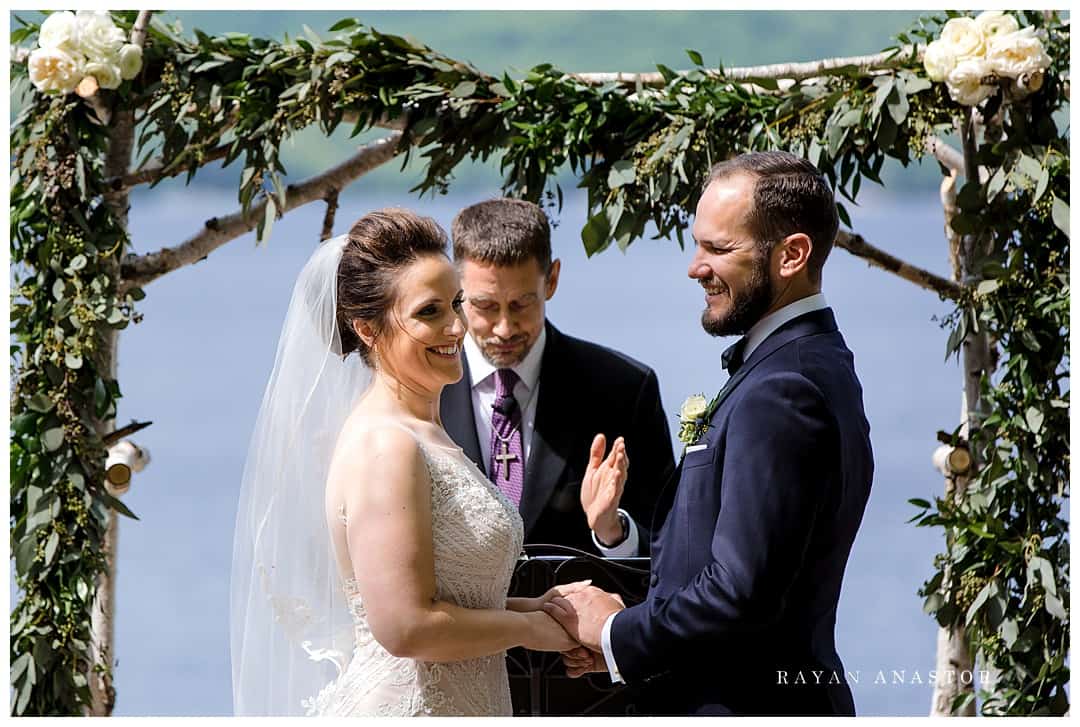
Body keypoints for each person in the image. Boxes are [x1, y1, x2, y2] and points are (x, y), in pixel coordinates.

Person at [230, 209, 623, 716]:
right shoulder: (384, 446)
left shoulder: (422, 432)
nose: (458, 327)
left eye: (456, 303)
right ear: (368, 329)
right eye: (429, 312)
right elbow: (406, 626)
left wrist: (546, 608)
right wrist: (531, 629)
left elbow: (453, 600)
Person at [546, 151, 875, 716]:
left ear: (791, 254)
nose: (695, 266)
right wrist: (622, 539)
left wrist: (614, 632)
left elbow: (739, 593)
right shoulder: (804, 363)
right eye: (698, 244)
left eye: (719, 249)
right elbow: (722, 558)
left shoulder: (783, 389)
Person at [440, 198, 675, 556]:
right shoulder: (420, 387)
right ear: (456, 291)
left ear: (551, 280)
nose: (504, 328)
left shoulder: (625, 388)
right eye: (485, 306)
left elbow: (668, 543)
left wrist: (614, 530)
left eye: (521, 304)